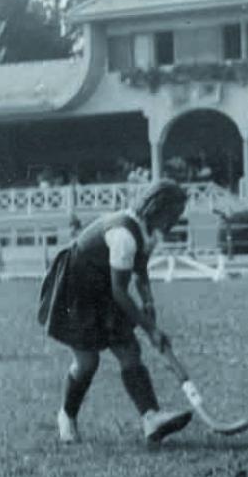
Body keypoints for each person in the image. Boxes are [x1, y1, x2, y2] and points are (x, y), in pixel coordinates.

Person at [38, 180, 193, 445]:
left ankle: (151, 418)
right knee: (88, 362)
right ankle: (66, 416)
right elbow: (120, 292)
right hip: (77, 288)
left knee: (129, 350)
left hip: (105, 286)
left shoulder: (147, 231)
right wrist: (150, 329)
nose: (176, 221)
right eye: (174, 214)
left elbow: (140, 270)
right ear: (158, 208)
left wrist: (149, 304)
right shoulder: (123, 236)